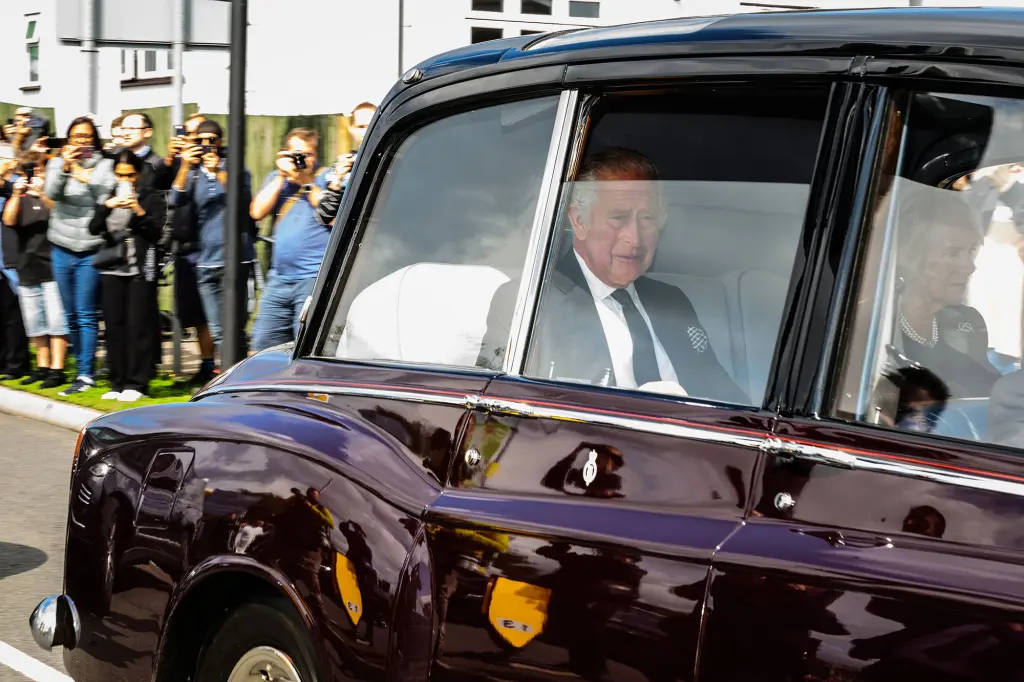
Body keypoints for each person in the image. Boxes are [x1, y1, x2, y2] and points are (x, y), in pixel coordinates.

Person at [477, 147, 746, 404]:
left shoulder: (672, 300)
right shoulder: (527, 307)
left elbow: (728, 400)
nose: (635, 238)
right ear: (580, 222)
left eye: (647, 218)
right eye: (619, 218)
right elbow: (499, 417)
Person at [891, 188, 1001, 399]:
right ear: (910, 257)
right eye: (953, 253)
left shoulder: (967, 324)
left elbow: (991, 388)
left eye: (971, 251)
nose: (970, 267)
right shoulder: (877, 334)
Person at [171, 120, 255, 360]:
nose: (206, 144)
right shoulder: (193, 172)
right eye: (200, 140)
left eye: (211, 140)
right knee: (218, 332)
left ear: (220, 142)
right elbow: (175, 200)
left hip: (236, 259)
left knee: (235, 330)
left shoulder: (235, 167)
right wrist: (184, 166)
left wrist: (218, 171)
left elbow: (243, 201)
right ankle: (224, 373)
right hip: (206, 261)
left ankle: (240, 373)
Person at [45, 116, 115, 396]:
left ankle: (86, 373)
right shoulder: (56, 162)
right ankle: (80, 367)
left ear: (94, 139)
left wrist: (80, 169)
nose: (81, 141)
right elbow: (52, 193)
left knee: (85, 313)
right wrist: (65, 167)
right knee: (70, 313)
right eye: (76, 137)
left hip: (90, 247)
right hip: (61, 245)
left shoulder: (105, 164)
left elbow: (103, 194)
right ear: (69, 139)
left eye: (86, 136)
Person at [88, 150, 165, 402]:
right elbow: (93, 228)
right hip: (112, 267)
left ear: (139, 174)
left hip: (139, 269)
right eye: (120, 175)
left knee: (138, 326)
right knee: (113, 326)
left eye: (130, 175)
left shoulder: (150, 197)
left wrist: (137, 210)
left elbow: (156, 232)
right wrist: (106, 206)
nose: (125, 180)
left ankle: (137, 382)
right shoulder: (108, 196)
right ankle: (117, 381)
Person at [250, 128, 332, 351]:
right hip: (279, 278)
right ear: (285, 153)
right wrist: (280, 176)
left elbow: (333, 215)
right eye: (296, 154)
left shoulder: (327, 177)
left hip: (312, 277)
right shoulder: (277, 178)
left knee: (305, 345)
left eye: (308, 154)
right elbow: (257, 211)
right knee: (263, 344)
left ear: (316, 155)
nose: (302, 160)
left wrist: (306, 181)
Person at [2, 152, 67, 388]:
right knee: (34, 321)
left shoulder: (56, 196)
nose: (34, 175)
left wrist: (43, 193)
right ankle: (42, 367)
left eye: (40, 170)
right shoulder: (19, 198)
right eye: (30, 171)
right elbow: (9, 220)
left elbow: (58, 215)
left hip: (52, 265)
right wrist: (16, 194)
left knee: (56, 321)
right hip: (26, 266)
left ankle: (57, 369)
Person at [166, 112, 217, 384]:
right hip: (185, 247)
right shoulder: (182, 163)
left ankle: (216, 366)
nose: (198, 143)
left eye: (203, 138)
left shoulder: (218, 165)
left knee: (211, 314)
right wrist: (178, 161)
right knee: (195, 314)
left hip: (208, 248)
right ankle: (206, 364)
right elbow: (172, 197)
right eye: (192, 136)